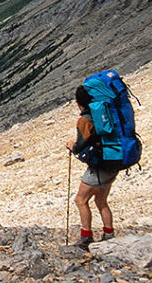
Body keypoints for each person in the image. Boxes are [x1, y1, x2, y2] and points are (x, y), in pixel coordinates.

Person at [66, 85, 119, 248]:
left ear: (78, 103)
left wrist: (72, 146)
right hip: (113, 160)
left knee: (80, 199)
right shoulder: (104, 115)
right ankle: (109, 234)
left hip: (99, 167)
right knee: (101, 200)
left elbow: (81, 145)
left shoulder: (84, 120)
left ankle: (86, 236)